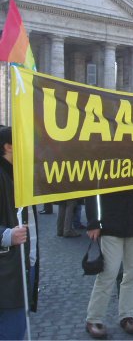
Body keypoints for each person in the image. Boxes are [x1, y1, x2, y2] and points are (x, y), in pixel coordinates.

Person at [84, 189, 133, 339]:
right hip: (111, 220)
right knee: (109, 273)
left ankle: (127, 315)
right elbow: (91, 184)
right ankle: (94, 318)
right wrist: (93, 221)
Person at [0, 126, 39, 340]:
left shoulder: (20, 175)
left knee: (19, 325)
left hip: (25, 262)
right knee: (12, 328)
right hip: (8, 269)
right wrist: (6, 235)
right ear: (8, 147)